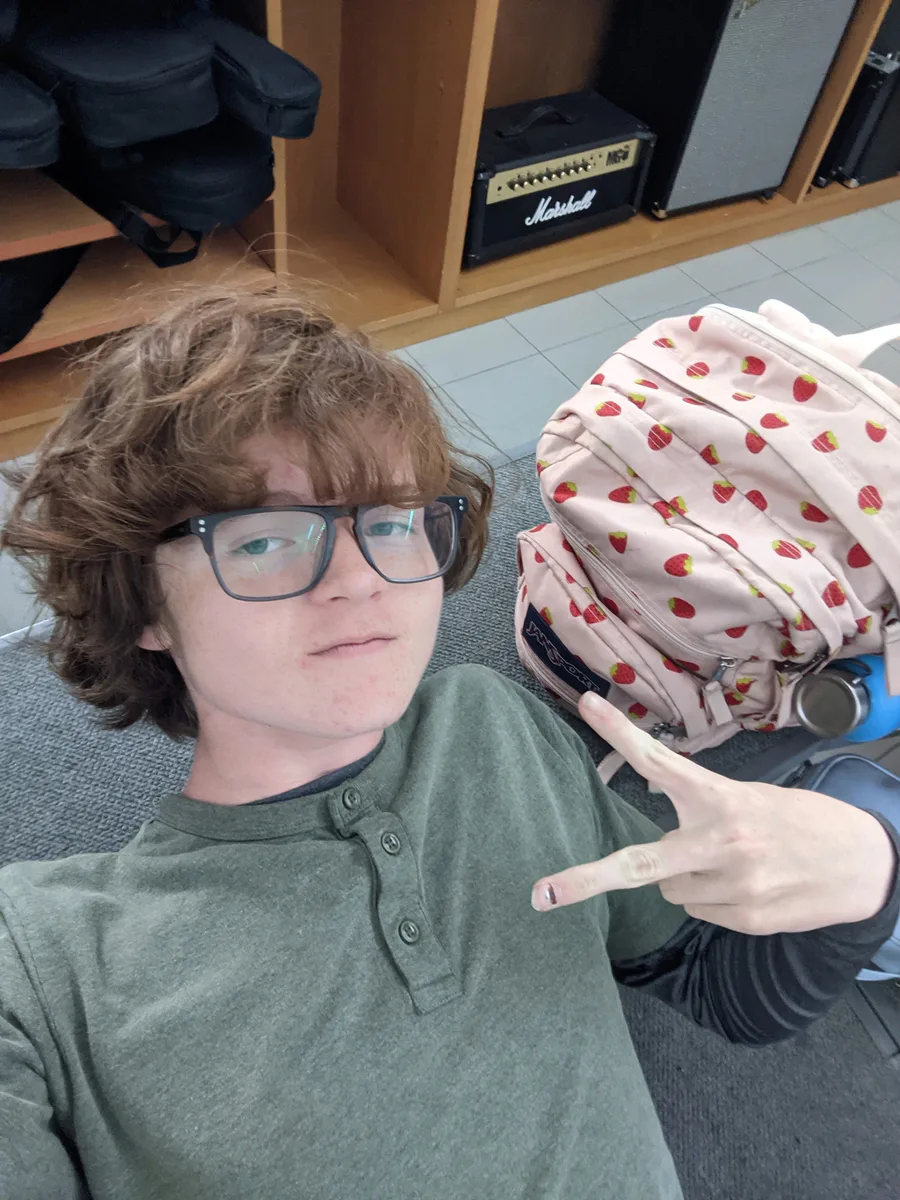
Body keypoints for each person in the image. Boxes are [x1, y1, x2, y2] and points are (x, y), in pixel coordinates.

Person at [0, 288, 897, 1200]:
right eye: (265, 539)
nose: (363, 578)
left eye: (392, 522)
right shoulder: (37, 960)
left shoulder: (490, 720)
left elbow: (711, 984)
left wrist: (866, 871)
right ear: (141, 602)